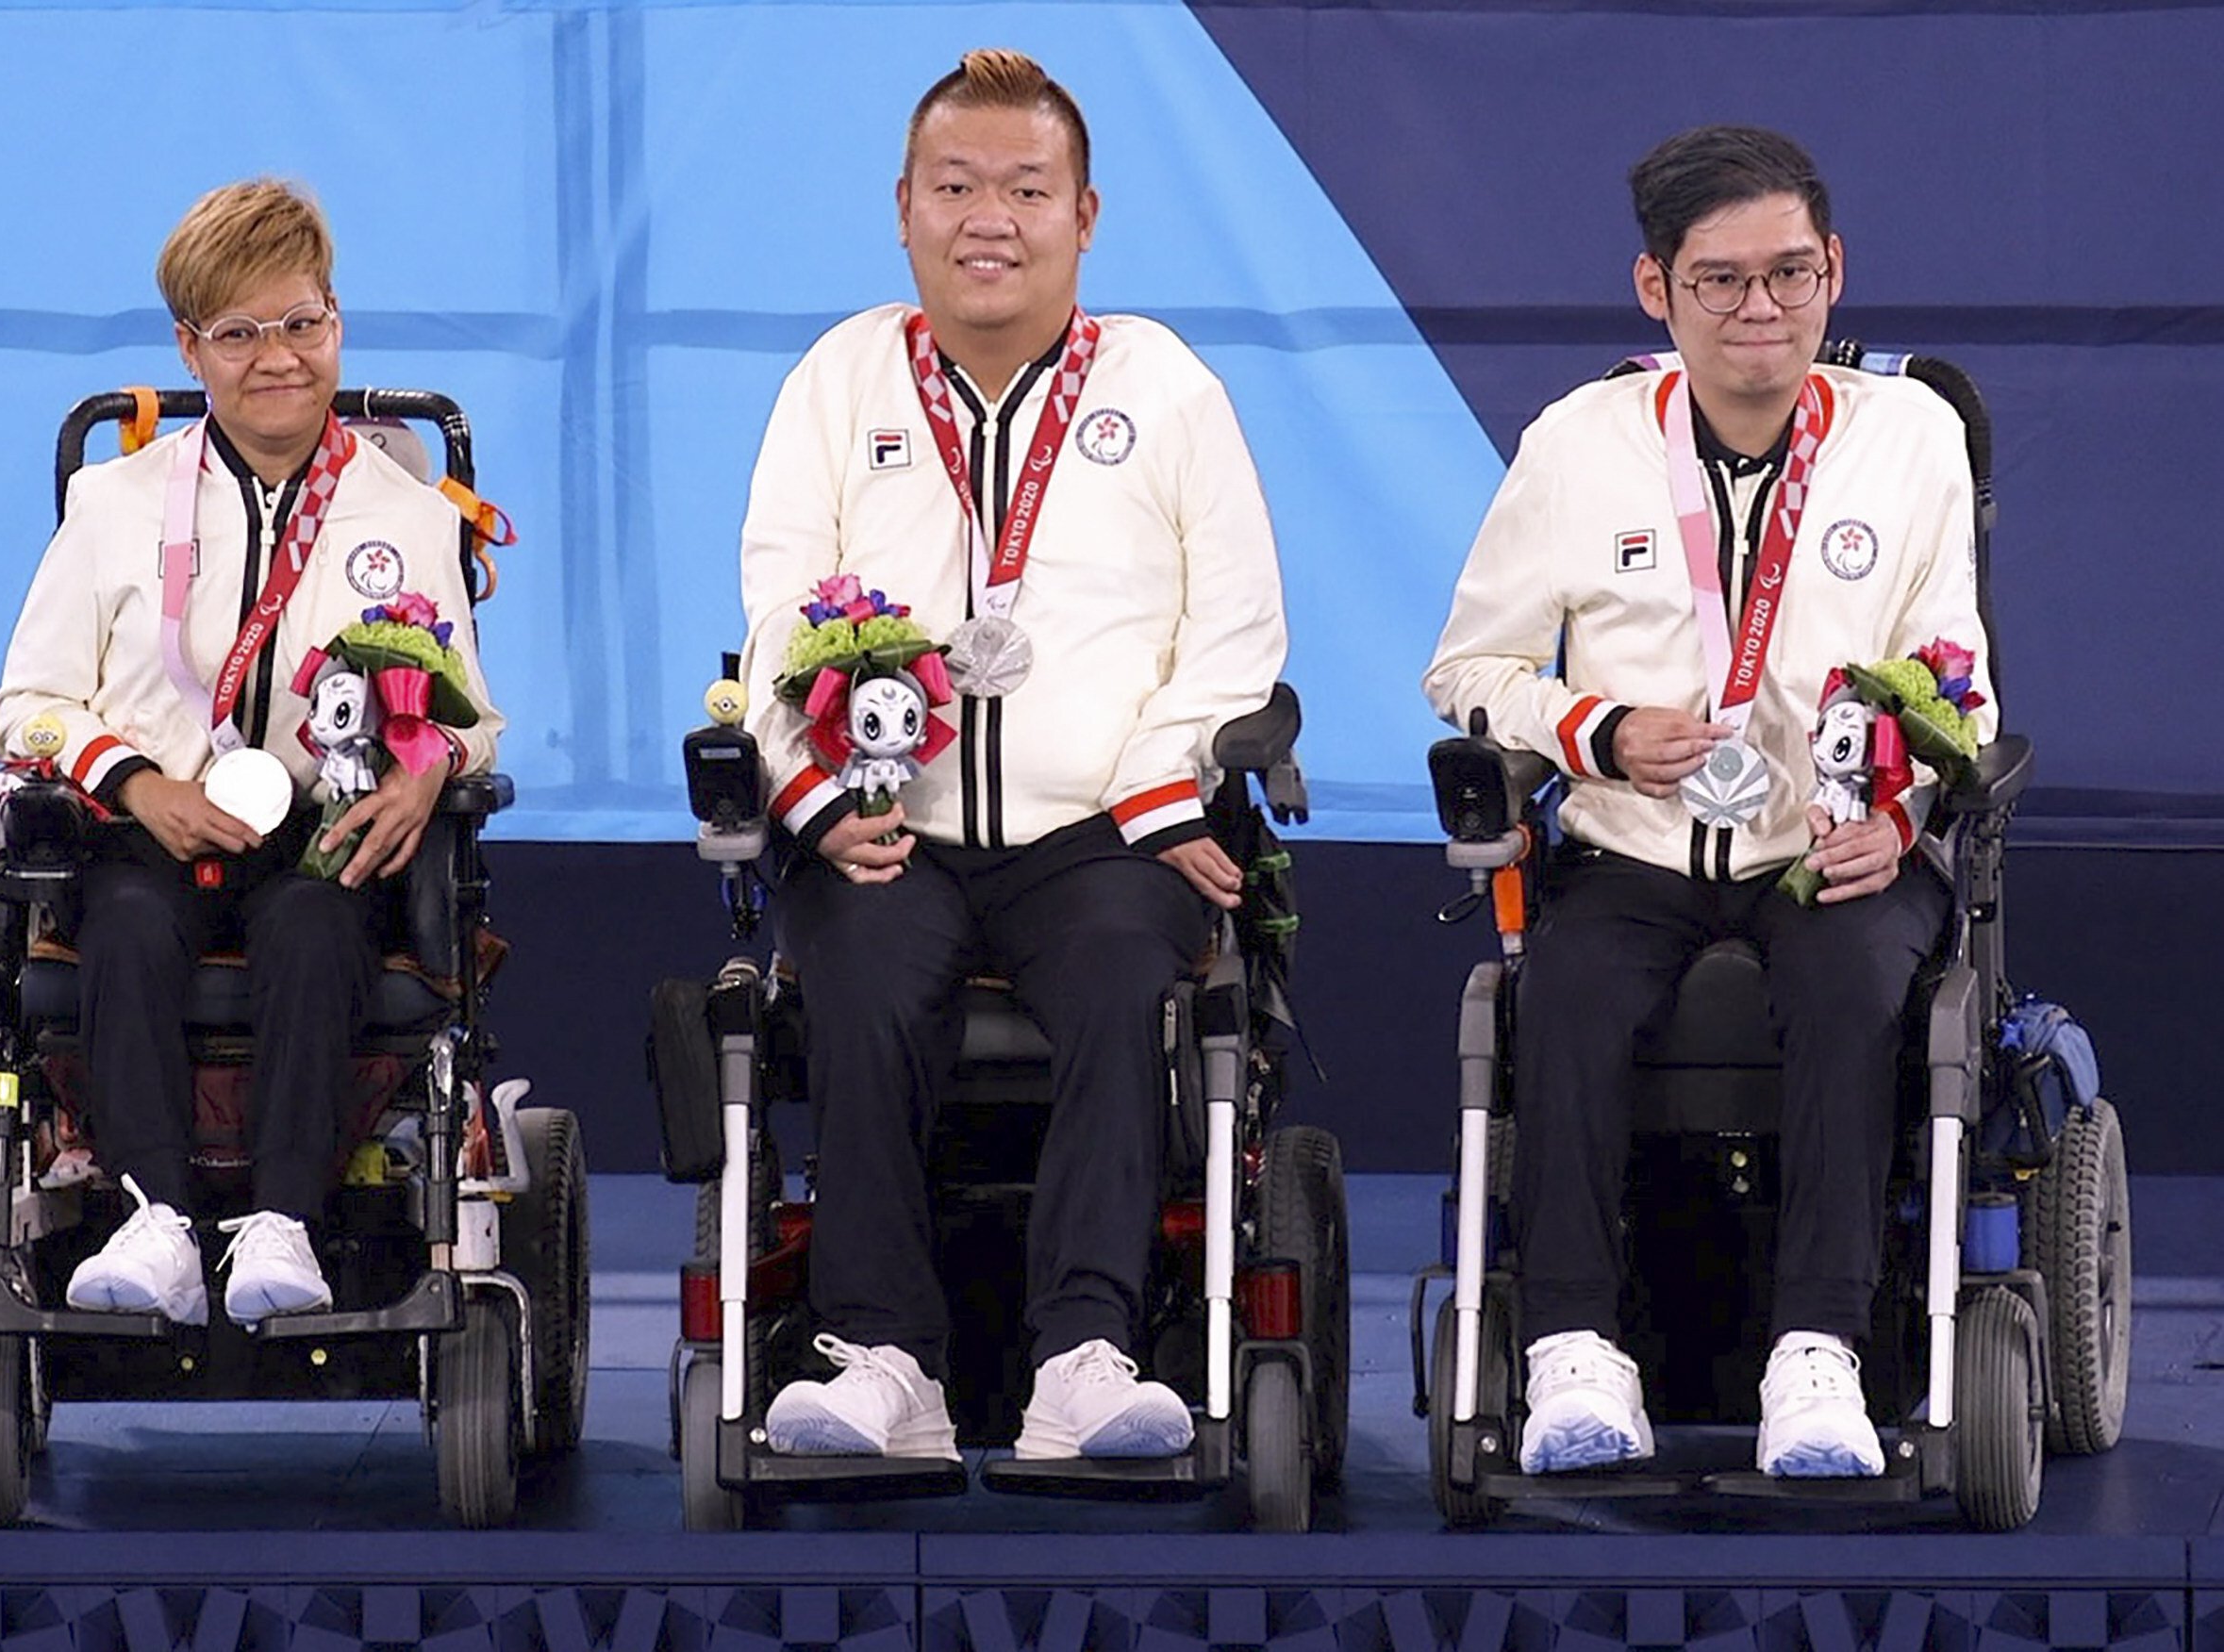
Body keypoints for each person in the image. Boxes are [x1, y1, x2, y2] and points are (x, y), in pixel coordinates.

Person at [738, 49, 1286, 1462]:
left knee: (1121, 979)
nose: (991, 217)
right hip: (889, 823)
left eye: (1026, 189)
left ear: (1085, 216)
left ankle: (1084, 1357)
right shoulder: (837, 380)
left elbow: (1238, 637)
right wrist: (815, 797)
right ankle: (884, 1361)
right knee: (853, 981)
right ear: (904, 208)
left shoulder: (1164, 387)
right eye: (957, 186)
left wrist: (1164, 799)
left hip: (1103, 830)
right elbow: (777, 620)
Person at [1423, 126, 1994, 1478]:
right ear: (1655, 291)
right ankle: (1572, 1347)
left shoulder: (1912, 440)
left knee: (1857, 986)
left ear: (1835, 270)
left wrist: (1902, 815)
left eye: (1792, 275)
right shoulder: (1580, 442)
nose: (1761, 310)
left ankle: (1822, 1354)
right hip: (1634, 845)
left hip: (1836, 844)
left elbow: (1958, 680)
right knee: (1558, 996)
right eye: (1722, 280)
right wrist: (1599, 729)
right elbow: (1469, 667)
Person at [0, 179, 503, 1329]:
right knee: (122, 923)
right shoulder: (112, 502)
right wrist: (135, 782)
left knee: (317, 925)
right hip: (146, 833)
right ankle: (153, 1217)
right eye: (239, 334)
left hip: (322, 843)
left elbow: (471, 716)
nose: (278, 359)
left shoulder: (409, 513)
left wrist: (428, 770)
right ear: (191, 346)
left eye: (302, 324)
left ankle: (283, 1224)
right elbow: (25, 702)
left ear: (336, 319)